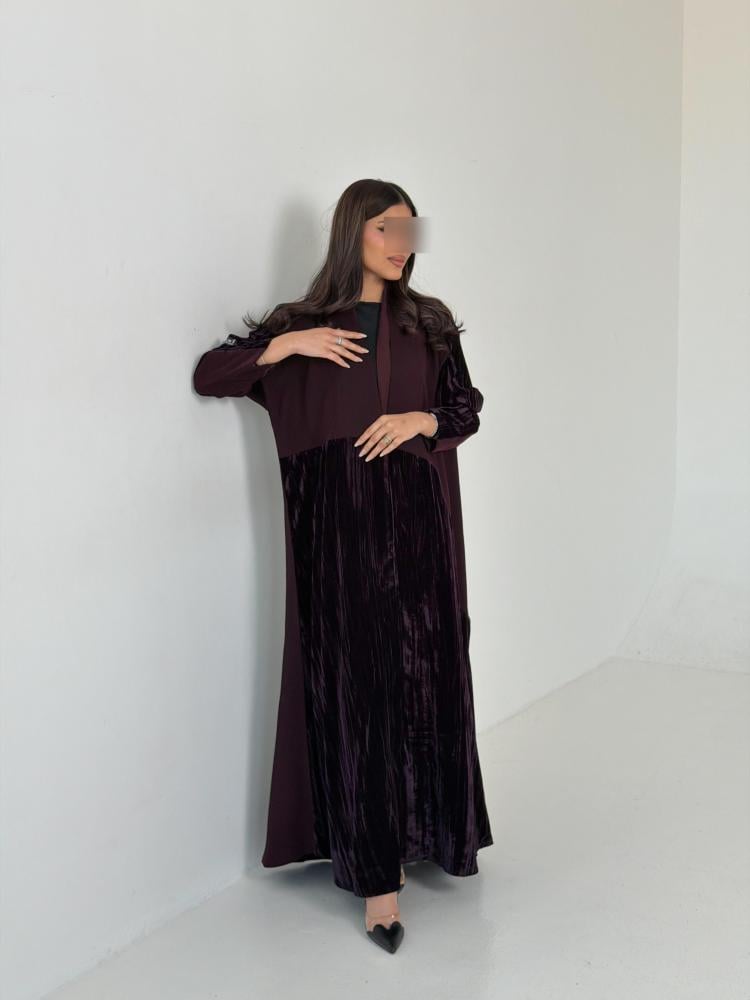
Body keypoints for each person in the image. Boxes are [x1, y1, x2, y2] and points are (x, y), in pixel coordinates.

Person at [193, 178, 493, 954]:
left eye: (410, 230)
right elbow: (211, 373)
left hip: (421, 534)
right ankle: (377, 883)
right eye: (388, 228)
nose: (402, 245)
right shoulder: (305, 324)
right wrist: (285, 347)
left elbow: (466, 406)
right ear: (353, 232)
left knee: (425, 683)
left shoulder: (428, 323)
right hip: (341, 542)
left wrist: (420, 418)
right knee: (359, 695)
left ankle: (431, 836)